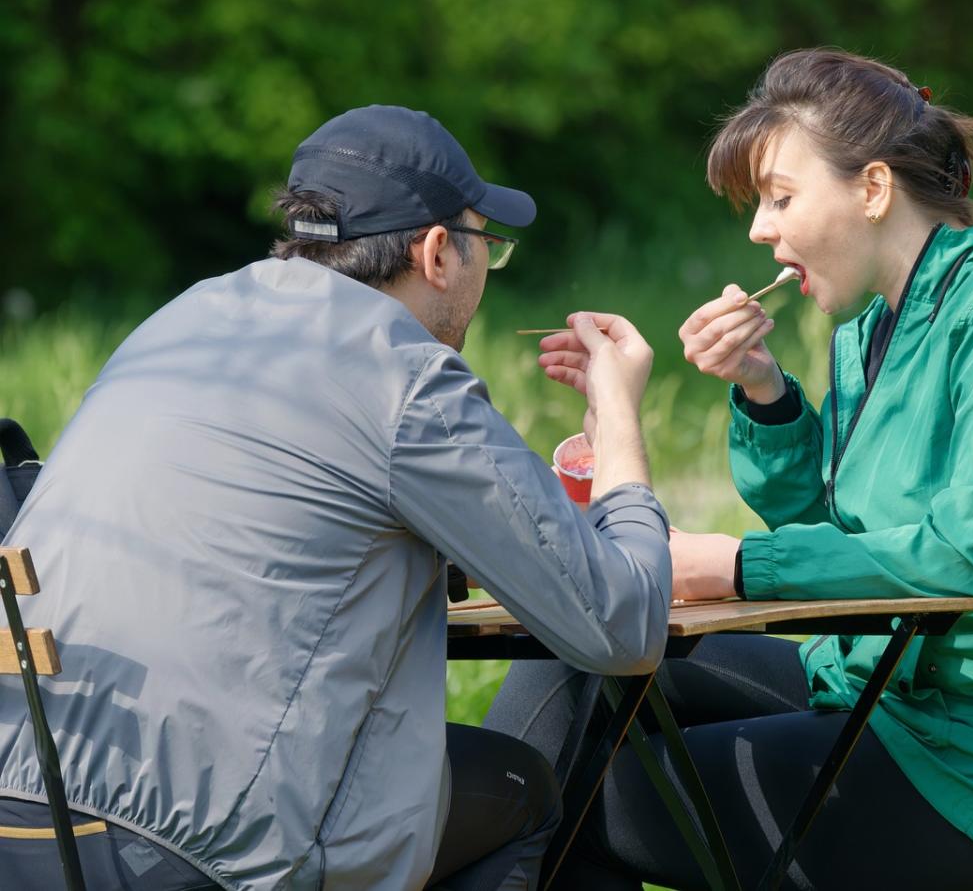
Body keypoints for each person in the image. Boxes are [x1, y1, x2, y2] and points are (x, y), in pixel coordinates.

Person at [485, 49, 973, 890]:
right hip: (877, 686)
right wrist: (764, 392)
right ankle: (474, 818)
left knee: (586, 802)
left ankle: (454, 832)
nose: (759, 230)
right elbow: (846, 538)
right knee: (589, 648)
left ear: (873, 189)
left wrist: (732, 563)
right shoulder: (869, 328)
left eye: (780, 198)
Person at [0, 105, 673, 890]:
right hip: (202, 849)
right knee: (523, 790)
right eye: (486, 243)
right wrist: (619, 416)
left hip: (22, 804)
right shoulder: (405, 377)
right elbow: (621, 625)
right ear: (436, 253)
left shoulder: (177, 322)